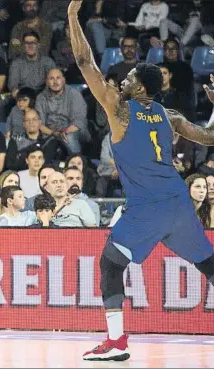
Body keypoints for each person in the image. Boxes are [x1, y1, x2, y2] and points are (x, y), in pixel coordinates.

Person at [68, 0, 214, 361]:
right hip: (179, 203)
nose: (123, 80)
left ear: (139, 87)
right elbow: (210, 138)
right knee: (208, 264)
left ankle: (116, 343)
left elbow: (85, 63)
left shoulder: (119, 110)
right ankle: (115, 342)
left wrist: (72, 16)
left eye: (130, 78)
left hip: (148, 206)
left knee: (111, 264)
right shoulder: (170, 115)